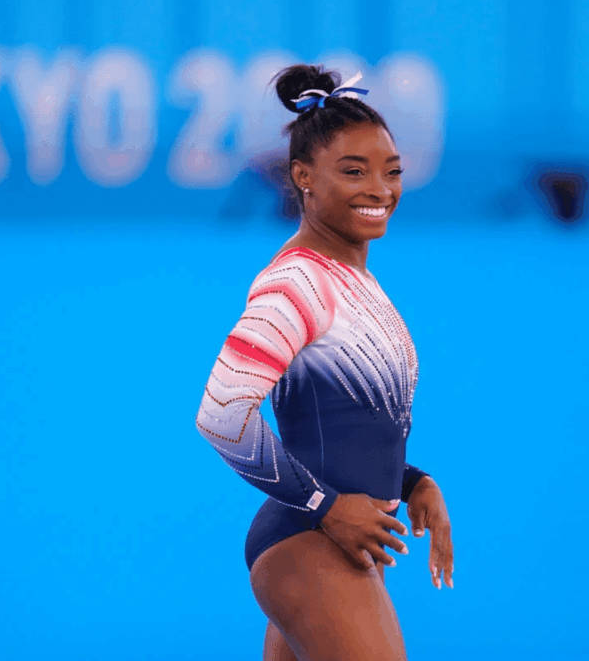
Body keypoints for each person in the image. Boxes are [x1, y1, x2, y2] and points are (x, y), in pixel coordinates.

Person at [194, 64, 454, 661]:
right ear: (303, 177)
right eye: (354, 171)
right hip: (310, 542)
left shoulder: (353, 277)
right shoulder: (296, 284)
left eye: (392, 172)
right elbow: (221, 414)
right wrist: (326, 506)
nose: (379, 189)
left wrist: (413, 481)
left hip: (342, 539)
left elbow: (339, 424)